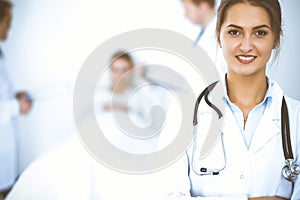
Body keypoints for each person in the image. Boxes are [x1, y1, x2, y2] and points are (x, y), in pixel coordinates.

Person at [158, 0, 300, 199]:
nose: (246, 45)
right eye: (234, 32)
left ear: (276, 38)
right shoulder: (183, 114)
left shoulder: (296, 119)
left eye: (260, 33)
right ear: (219, 36)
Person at [0, 0, 32, 198]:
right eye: (7, 19)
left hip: (6, 147)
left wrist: (15, 98)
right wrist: (15, 106)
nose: (10, 25)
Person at [181, 0, 227, 77]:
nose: (185, 14)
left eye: (187, 8)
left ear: (203, 7)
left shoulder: (222, 35)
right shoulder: (204, 33)